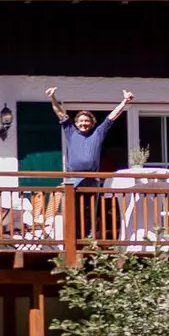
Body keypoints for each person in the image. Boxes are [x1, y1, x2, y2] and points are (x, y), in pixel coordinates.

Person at [47, 87, 133, 242]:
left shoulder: (98, 133)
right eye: (81, 121)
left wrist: (125, 102)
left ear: (92, 123)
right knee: (73, 210)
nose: (84, 123)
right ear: (76, 123)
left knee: (90, 211)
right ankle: (73, 239)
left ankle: (87, 240)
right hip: (74, 179)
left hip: (92, 179)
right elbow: (60, 113)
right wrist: (52, 98)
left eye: (87, 121)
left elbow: (112, 117)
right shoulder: (70, 131)